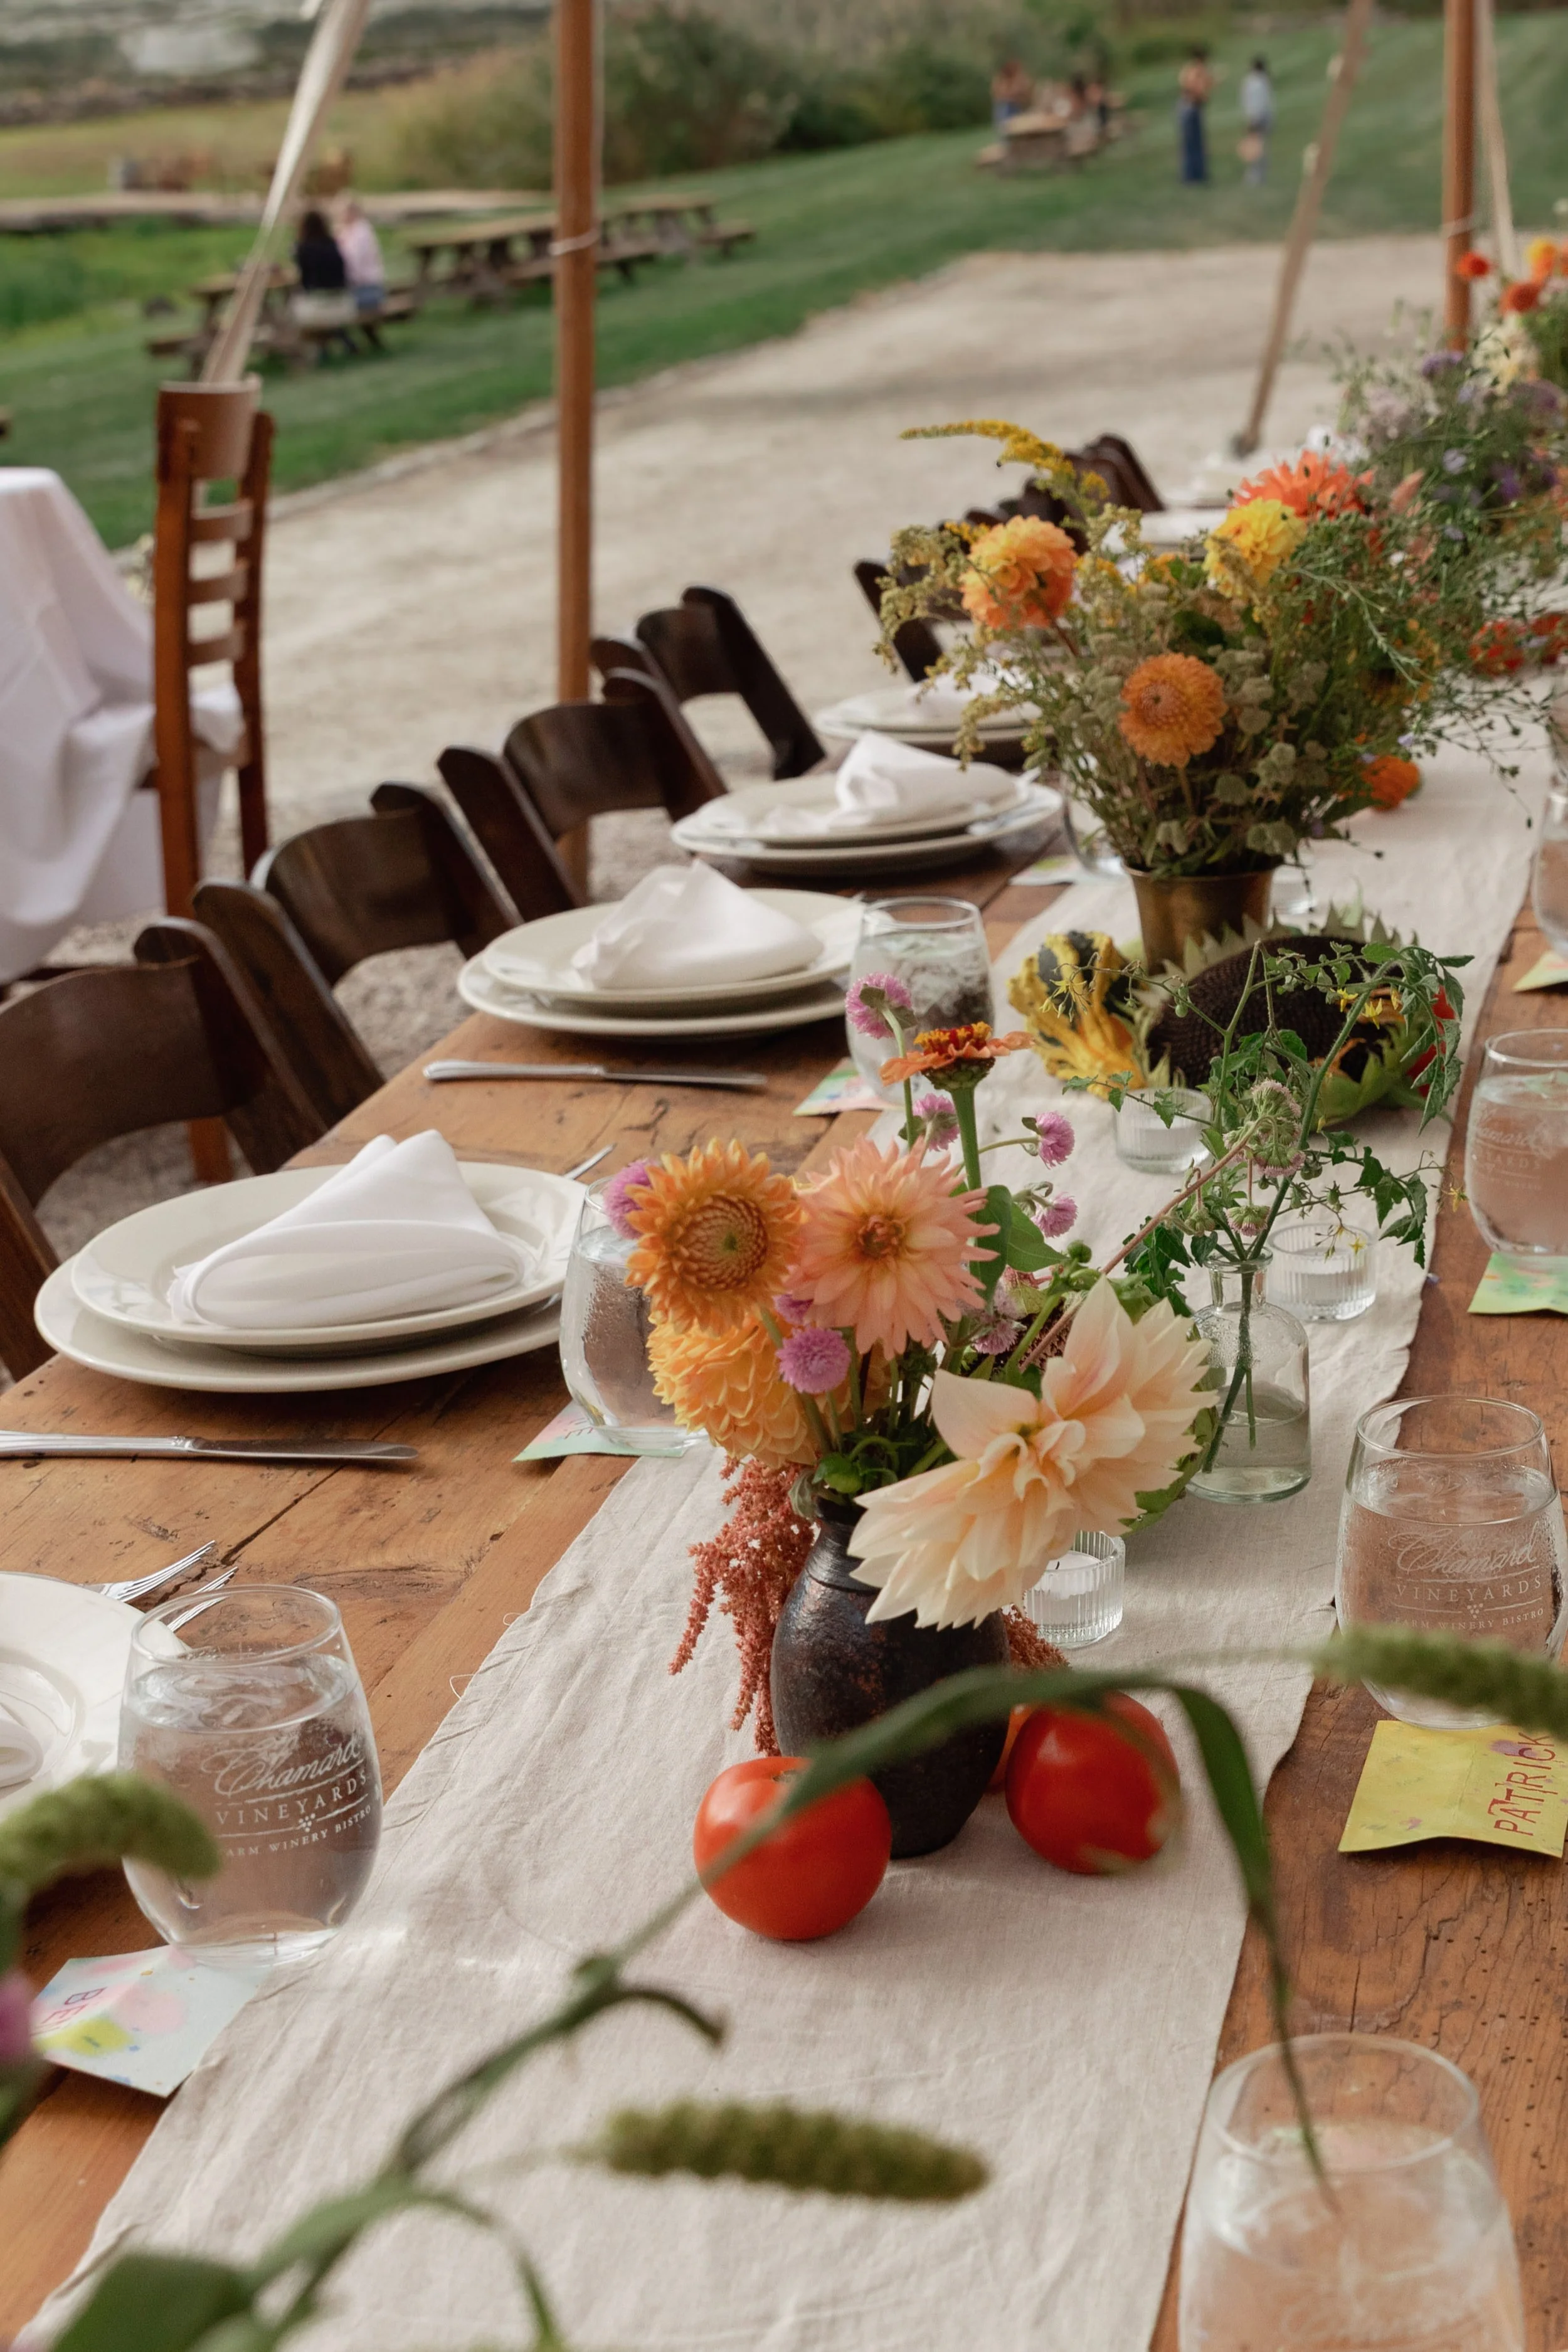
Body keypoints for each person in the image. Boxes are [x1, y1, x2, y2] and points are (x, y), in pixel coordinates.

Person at [336, 199, 386, 316]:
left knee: (331, 307)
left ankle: (343, 334)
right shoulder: (350, 231)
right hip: (364, 288)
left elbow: (351, 264)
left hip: (367, 290)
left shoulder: (361, 233)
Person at [1177, 45, 1214, 185]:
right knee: (1191, 143)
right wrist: (1202, 96)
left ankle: (1198, 174)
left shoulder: (1194, 70)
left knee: (1197, 143)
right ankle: (1191, 176)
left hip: (1193, 108)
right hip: (1190, 108)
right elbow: (1191, 88)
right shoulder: (1194, 71)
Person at [1239, 55, 1274, 186]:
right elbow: (1257, 103)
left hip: (1257, 118)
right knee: (1257, 149)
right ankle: (1255, 177)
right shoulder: (1257, 83)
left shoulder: (1253, 82)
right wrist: (1254, 120)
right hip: (1258, 118)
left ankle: (1258, 176)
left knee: (1259, 148)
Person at [991, 58, 1034, 127]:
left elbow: (1026, 89)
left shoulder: (1018, 78)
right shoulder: (1001, 80)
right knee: (1006, 127)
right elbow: (1001, 95)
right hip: (1006, 107)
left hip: (1017, 106)